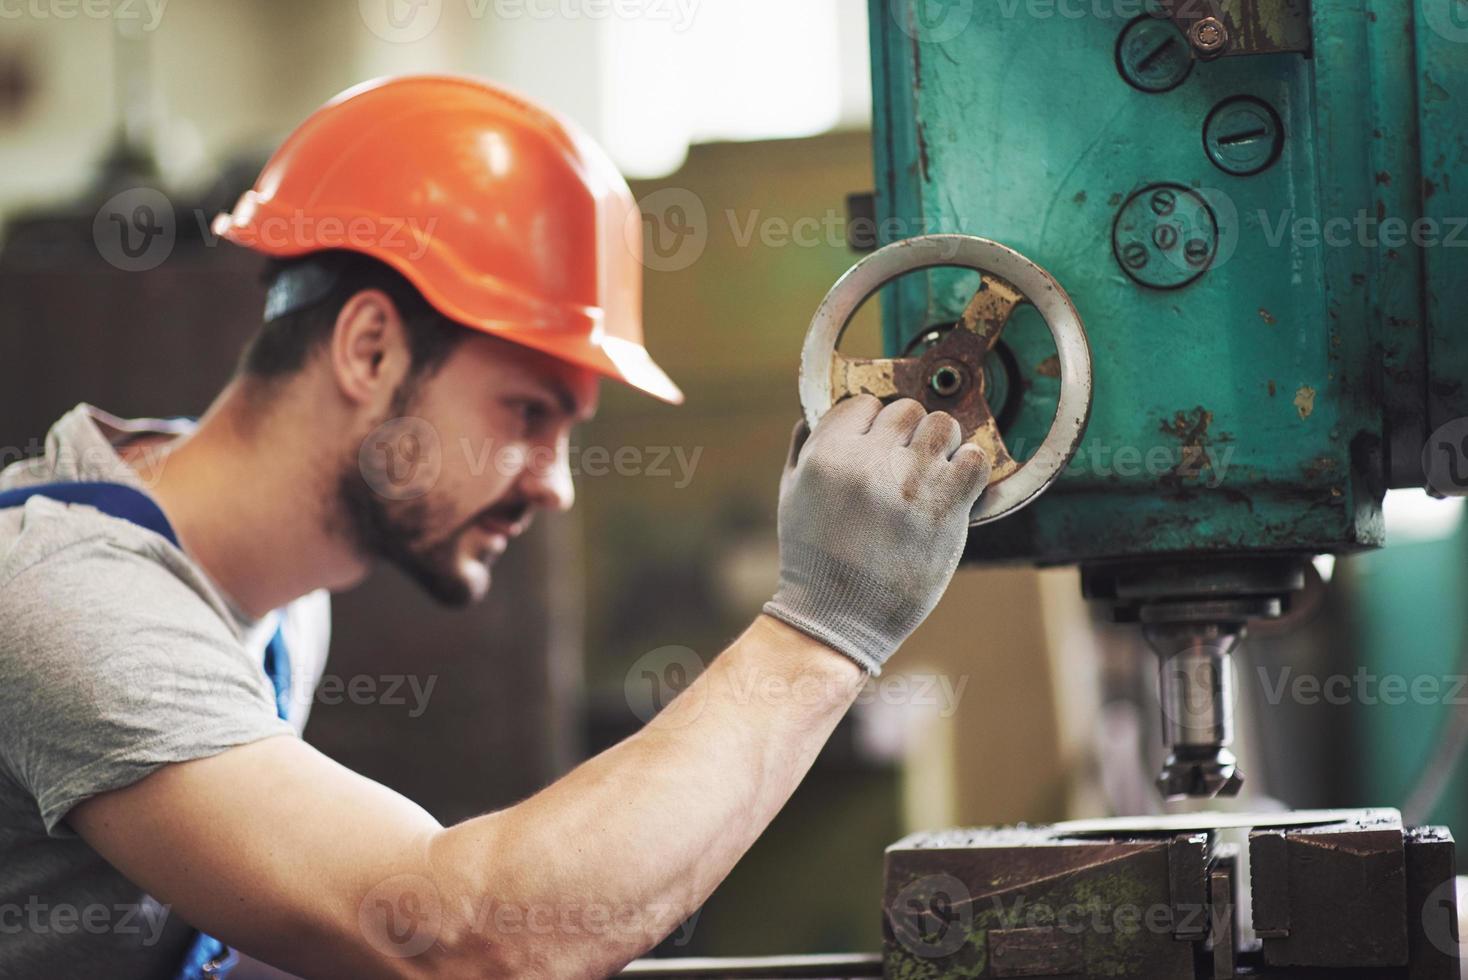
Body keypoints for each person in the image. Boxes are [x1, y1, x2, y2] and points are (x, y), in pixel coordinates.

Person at [0, 75, 989, 978]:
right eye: (526, 412)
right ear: (371, 348)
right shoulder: (71, 595)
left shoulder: (281, 598)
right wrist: (827, 624)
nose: (555, 484)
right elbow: (453, 933)